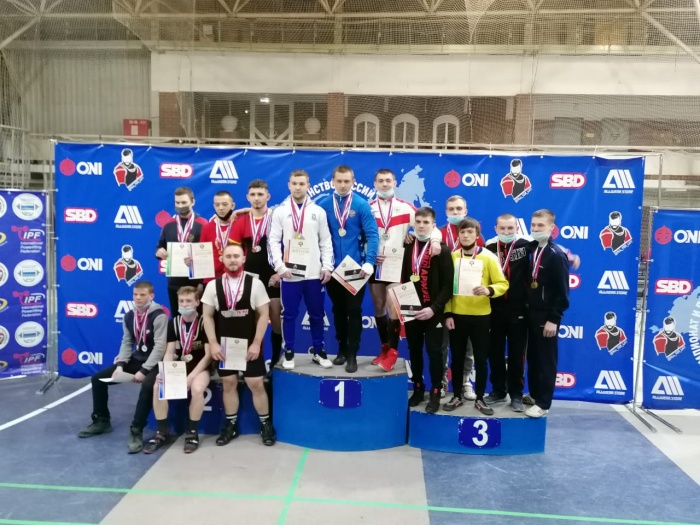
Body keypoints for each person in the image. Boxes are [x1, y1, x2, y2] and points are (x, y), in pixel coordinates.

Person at [78, 281, 167, 454]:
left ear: (151, 296)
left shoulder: (159, 315)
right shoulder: (129, 315)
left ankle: (136, 429)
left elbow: (160, 348)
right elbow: (127, 342)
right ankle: (102, 421)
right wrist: (120, 365)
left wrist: (144, 371)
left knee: (148, 386)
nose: (138, 298)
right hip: (137, 358)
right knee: (98, 379)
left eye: (142, 295)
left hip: (156, 363)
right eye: (135, 294)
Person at [202, 243, 276, 446]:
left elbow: (264, 315)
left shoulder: (256, 284)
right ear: (222, 259)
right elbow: (207, 316)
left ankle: (266, 425)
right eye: (228, 256)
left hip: (250, 346)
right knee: (228, 383)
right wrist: (213, 344)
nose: (233, 260)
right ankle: (231, 426)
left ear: (243, 259)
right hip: (224, 348)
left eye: (236, 256)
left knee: (256, 384)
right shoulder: (212, 286)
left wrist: (256, 343)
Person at [369, 169, 442, 372]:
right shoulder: (368, 208)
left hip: (397, 265)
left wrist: (435, 240)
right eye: (381, 181)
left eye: (388, 181)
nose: (385, 184)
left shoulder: (406, 207)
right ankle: (384, 349)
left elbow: (429, 226)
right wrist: (369, 254)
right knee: (378, 307)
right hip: (376, 265)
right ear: (375, 184)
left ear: (394, 183)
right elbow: (361, 235)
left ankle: (393, 352)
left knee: (393, 306)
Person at [268, 169, 334, 370]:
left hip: (314, 273)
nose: (298, 187)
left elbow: (326, 240)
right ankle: (289, 351)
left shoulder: (318, 211)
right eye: (294, 183)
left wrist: (327, 266)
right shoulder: (280, 211)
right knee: (289, 314)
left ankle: (318, 351)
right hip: (290, 274)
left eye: (301, 184)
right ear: (289, 185)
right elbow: (273, 241)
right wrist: (279, 267)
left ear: (308, 186)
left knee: (317, 314)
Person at [317, 165, 379, 373]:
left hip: (355, 269)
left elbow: (372, 234)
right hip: (332, 268)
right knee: (337, 310)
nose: (343, 185)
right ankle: (342, 349)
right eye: (339, 181)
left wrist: (369, 261)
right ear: (332, 182)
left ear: (353, 182)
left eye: (347, 181)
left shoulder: (361, 204)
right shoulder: (323, 205)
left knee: (353, 310)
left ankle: (352, 353)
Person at [444, 218, 508, 415]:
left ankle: (480, 398)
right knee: (457, 359)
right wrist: (448, 313)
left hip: (481, 317)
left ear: (477, 235)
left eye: (470, 232)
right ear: (458, 235)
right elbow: (446, 288)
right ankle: (456, 395)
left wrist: (489, 290)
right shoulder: (453, 257)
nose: (466, 235)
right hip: (457, 316)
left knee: (481, 359)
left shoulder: (488, 257)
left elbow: (503, 284)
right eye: (462, 232)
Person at [143, 286, 211, 454]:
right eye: (181, 301)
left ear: (197, 302)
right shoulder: (173, 323)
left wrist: (191, 377)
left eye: (189, 301)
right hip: (179, 368)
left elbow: (208, 356)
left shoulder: (205, 323)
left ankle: (192, 432)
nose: (184, 304)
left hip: (200, 368)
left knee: (197, 388)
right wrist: (165, 372)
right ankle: (161, 432)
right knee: (158, 386)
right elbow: (169, 352)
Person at [400, 207, 453, 414]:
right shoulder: (407, 245)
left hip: (434, 311)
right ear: (414, 223)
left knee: (435, 353)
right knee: (414, 350)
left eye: (426, 222)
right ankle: (418, 388)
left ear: (433, 225)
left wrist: (434, 308)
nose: (421, 226)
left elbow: (448, 285)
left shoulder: (442, 249)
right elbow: (402, 276)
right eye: (418, 222)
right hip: (411, 308)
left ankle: (436, 391)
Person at [229, 180, 283, 371]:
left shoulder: (277, 217)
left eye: (260, 194)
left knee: (276, 320)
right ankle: (253, 363)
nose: (257, 198)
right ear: (247, 197)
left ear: (268, 196)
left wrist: (280, 273)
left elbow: (287, 247)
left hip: (273, 277)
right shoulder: (240, 221)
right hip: (250, 278)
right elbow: (234, 253)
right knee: (249, 322)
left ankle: (276, 361)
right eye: (253, 195)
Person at [525, 209, 570, 418]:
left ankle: (543, 403)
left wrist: (554, 318)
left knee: (546, 360)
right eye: (533, 225)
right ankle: (535, 395)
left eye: (540, 226)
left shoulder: (556, 255)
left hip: (547, 317)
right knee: (533, 358)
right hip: (531, 313)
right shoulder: (533, 248)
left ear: (552, 228)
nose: (536, 229)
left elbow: (562, 292)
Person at [438, 196, 484, 399]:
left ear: (466, 211)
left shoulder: (477, 237)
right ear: (446, 212)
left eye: (459, 209)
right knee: (441, 345)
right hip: (442, 298)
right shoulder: (437, 234)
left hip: (466, 300)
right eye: (451, 209)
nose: (455, 212)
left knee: (467, 346)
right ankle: (441, 381)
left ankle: (465, 381)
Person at [155, 187, 209, 314]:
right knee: (177, 319)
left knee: (199, 320)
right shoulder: (168, 224)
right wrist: (159, 252)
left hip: (196, 284)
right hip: (174, 283)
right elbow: (160, 247)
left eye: (184, 202)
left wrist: (202, 283)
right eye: (177, 202)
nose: (180, 206)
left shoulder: (203, 224)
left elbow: (208, 255)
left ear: (193, 202)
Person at [199, 190, 236, 282]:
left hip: (235, 278)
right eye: (217, 205)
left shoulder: (239, 225)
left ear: (232, 205)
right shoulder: (207, 227)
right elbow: (202, 255)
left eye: (224, 204)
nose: (221, 208)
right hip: (212, 279)